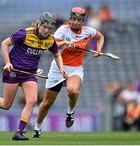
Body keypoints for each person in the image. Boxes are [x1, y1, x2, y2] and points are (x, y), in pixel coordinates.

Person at [0, 12, 68, 140]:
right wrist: (8, 62)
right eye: (45, 27)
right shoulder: (25, 34)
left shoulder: (49, 40)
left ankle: (19, 132)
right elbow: (5, 43)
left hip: (29, 74)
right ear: (39, 24)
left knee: (32, 101)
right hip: (14, 71)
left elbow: (57, 54)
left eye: (49, 29)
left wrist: (62, 69)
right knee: (6, 105)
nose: (47, 30)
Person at [33, 7, 104, 137]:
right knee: (47, 102)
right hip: (58, 67)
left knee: (73, 91)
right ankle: (37, 128)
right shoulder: (62, 30)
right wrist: (66, 44)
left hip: (75, 68)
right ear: (70, 19)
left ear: (83, 20)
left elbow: (100, 37)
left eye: (79, 20)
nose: (76, 22)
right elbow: (52, 45)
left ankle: (70, 112)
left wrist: (99, 50)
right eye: (74, 19)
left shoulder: (89, 31)